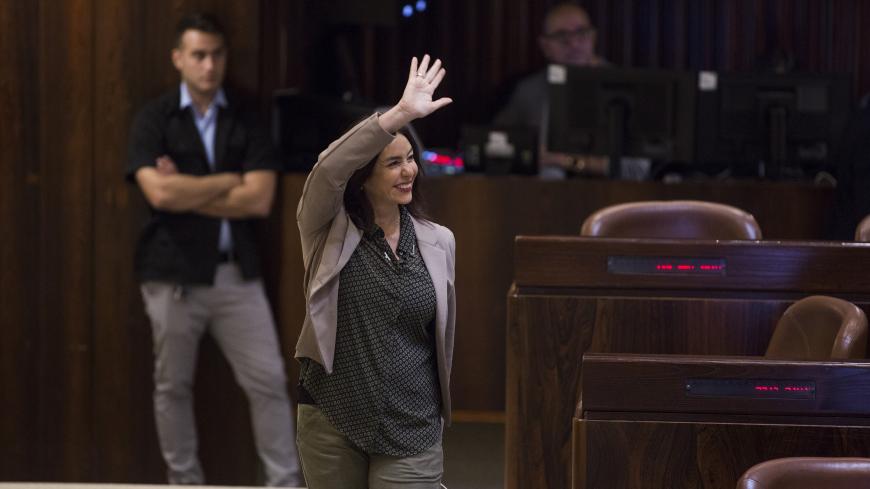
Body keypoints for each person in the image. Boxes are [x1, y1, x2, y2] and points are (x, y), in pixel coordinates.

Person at [126, 12, 303, 486]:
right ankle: (185, 483)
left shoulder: (247, 116)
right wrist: (227, 182)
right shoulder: (155, 118)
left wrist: (187, 190)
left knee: (267, 381)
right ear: (179, 58)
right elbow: (158, 195)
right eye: (199, 55)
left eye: (217, 55)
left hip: (236, 276)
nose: (209, 65)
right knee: (172, 387)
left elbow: (260, 199)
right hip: (172, 274)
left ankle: (284, 482)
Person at [294, 54, 456, 488]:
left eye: (410, 159)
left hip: (413, 424)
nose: (409, 171)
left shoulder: (439, 241)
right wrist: (398, 115)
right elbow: (328, 169)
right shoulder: (326, 227)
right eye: (392, 163)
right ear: (362, 176)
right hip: (333, 416)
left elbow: (441, 342)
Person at [494, 2, 609, 178]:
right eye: (561, 36)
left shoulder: (619, 86)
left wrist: (564, 161)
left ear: (593, 37)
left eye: (581, 33)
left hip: (612, 196)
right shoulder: (528, 91)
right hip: (542, 194)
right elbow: (496, 145)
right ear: (545, 45)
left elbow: (637, 169)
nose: (573, 43)